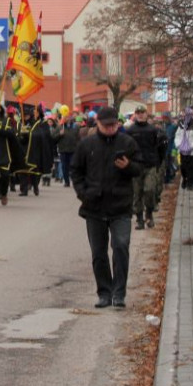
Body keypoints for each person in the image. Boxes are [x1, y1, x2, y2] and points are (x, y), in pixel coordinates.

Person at [70, 106, 143, 309]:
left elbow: (139, 168)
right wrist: (83, 193)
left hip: (121, 206)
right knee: (98, 253)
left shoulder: (127, 142)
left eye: (114, 124)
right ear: (98, 124)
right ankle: (104, 292)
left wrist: (128, 166)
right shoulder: (87, 144)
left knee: (120, 247)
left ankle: (119, 293)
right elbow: (76, 171)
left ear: (118, 124)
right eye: (106, 125)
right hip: (94, 207)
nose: (111, 128)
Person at [125, 104, 167, 230]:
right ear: (135, 115)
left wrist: (158, 162)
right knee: (137, 193)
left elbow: (161, 148)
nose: (140, 115)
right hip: (136, 166)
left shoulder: (153, 130)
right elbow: (126, 149)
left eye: (142, 112)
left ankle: (149, 213)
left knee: (149, 190)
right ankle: (139, 219)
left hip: (150, 165)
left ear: (146, 114)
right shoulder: (131, 131)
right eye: (138, 113)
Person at [18, 104, 53, 196]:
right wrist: (22, 135)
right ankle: (23, 190)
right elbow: (18, 136)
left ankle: (35, 187)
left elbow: (41, 135)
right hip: (23, 150)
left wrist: (29, 134)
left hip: (33, 150)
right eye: (24, 115)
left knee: (34, 171)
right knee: (23, 171)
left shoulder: (39, 123)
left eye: (28, 115)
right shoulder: (22, 123)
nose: (26, 117)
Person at [175, 108, 193, 190]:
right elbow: (177, 136)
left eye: (185, 116)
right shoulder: (181, 126)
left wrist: (190, 147)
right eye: (182, 116)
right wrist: (179, 145)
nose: (183, 117)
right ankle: (186, 179)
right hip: (183, 151)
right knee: (184, 167)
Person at [54, 112, 80, 187]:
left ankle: (75, 181)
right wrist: (59, 134)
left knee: (73, 167)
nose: (68, 119)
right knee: (64, 167)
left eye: (69, 117)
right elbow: (53, 137)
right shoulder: (60, 127)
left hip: (73, 150)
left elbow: (78, 138)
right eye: (66, 117)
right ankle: (66, 181)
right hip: (63, 150)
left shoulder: (75, 127)